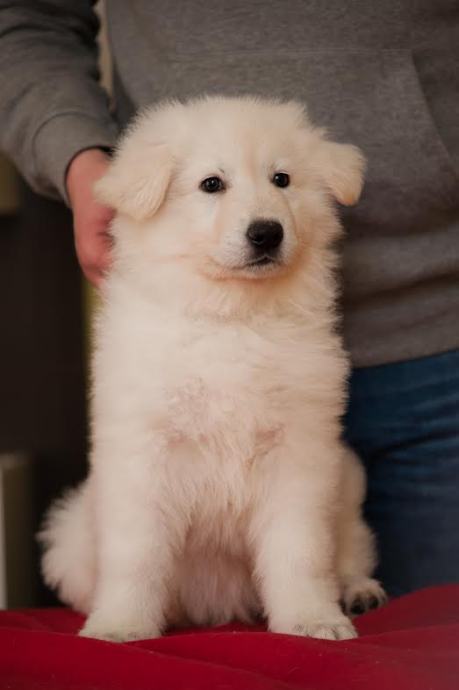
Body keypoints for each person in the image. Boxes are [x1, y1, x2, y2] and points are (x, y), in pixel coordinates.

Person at [0, 1, 458, 597]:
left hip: (440, 328)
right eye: (214, 185)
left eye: (281, 181)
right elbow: (26, 16)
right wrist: (79, 160)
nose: (262, 215)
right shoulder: (147, 334)